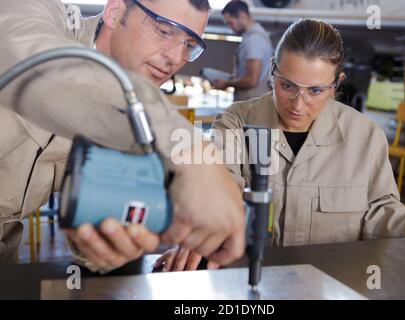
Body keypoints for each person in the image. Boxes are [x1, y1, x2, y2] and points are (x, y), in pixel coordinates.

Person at [155, 18, 405, 272]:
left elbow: (382, 215)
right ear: (272, 71)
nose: (298, 104)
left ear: (337, 83)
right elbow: (220, 190)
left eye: (316, 91)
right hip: (247, 284)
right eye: (287, 86)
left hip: (335, 284)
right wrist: (200, 238)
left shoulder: (366, 137)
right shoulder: (237, 122)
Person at [0, 0, 246, 272]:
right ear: (115, 11)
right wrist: (189, 149)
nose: (176, 59)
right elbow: (26, 60)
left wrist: (108, 244)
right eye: (164, 31)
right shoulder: (34, 11)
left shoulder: (129, 133)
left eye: (189, 45)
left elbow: (95, 235)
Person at [212, 0, 272, 101]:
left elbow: (251, 80)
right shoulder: (253, 37)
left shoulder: (254, 39)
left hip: (252, 104)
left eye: (230, 23)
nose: (230, 28)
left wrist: (226, 83)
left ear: (242, 16)